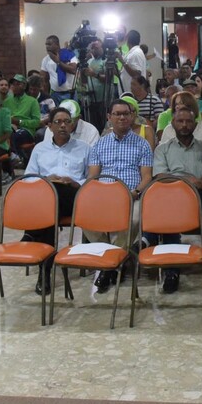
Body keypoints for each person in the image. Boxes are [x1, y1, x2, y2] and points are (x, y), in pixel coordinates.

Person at [144, 108, 202, 294]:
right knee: (167, 204)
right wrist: (187, 180)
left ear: (195, 124)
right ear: (172, 124)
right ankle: (171, 272)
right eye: (180, 121)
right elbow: (160, 177)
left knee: (167, 209)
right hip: (169, 196)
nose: (184, 125)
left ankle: (147, 239)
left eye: (188, 121)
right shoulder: (162, 149)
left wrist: (183, 182)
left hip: (196, 198)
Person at [85, 99, 153, 293]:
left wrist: (135, 192)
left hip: (132, 195)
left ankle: (109, 266)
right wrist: (96, 194)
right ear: (109, 117)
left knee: (135, 218)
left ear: (132, 116)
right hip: (104, 196)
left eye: (126, 113)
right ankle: (114, 261)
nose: (122, 117)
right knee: (83, 218)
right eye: (117, 114)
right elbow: (93, 176)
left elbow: (147, 177)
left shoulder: (142, 144)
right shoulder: (99, 144)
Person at [22, 106, 91, 294]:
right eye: (58, 122)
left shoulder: (84, 148)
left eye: (67, 122)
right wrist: (46, 180)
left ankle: (31, 234)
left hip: (73, 198)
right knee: (50, 208)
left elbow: (91, 179)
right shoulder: (40, 149)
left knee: (54, 197)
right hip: (46, 199)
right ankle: (44, 273)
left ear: (72, 125)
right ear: (50, 126)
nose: (63, 126)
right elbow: (28, 178)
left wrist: (75, 182)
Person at [2, 74, 41, 158]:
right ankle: (17, 157)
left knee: (15, 136)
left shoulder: (32, 101)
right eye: (13, 84)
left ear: (24, 86)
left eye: (18, 84)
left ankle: (15, 156)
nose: (15, 87)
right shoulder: (7, 102)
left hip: (26, 131)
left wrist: (19, 122)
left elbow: (37, 122)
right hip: (10, 128)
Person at [41, 34, 79, 104]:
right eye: (46, 44)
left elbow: (73, 70)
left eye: (49, 44)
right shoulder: (45, 60)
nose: (47, 47)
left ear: (57, 44)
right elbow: (44, 80)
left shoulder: (69, 54)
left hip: (70, 94)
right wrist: (46, 96)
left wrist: (58, 62)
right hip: (55, 94)